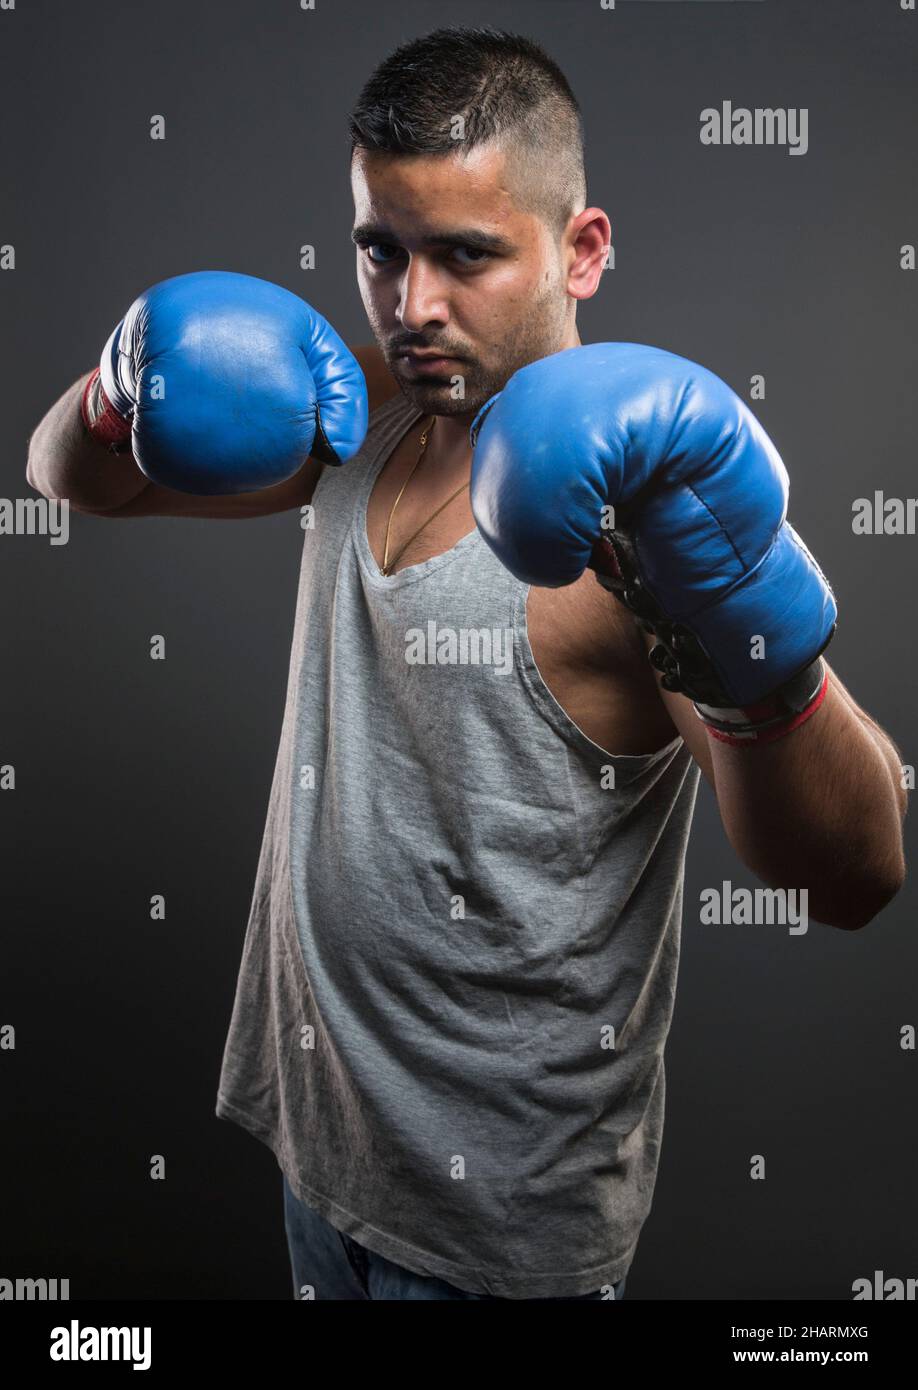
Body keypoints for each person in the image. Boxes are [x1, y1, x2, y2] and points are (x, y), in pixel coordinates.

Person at [26, 26, 906, 1301]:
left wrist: (747, 651)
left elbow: (860, 871)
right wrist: (123, 384)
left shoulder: (641, 516)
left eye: (466, 255)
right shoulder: (359, 409)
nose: (413, 306)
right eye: (382, 248)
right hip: (322, 1146)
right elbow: (72, 479)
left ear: (581, 250)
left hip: (498, 1230)